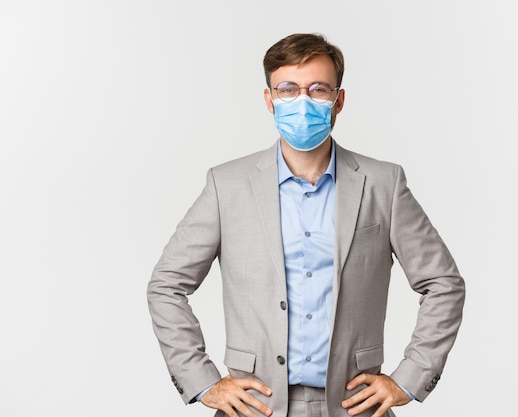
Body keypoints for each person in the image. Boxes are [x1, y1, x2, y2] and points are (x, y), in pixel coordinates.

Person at [147, 33, 465, 417]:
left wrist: (409, 378)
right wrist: (202, 381)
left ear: (338, 100)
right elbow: (166, 286)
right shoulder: (226, 185)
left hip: (353, 406)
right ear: (269, 100)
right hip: (255, 407)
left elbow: (443, 284)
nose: (302, 101)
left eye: (317, 89)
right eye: (287, 90)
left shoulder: (384, 184)